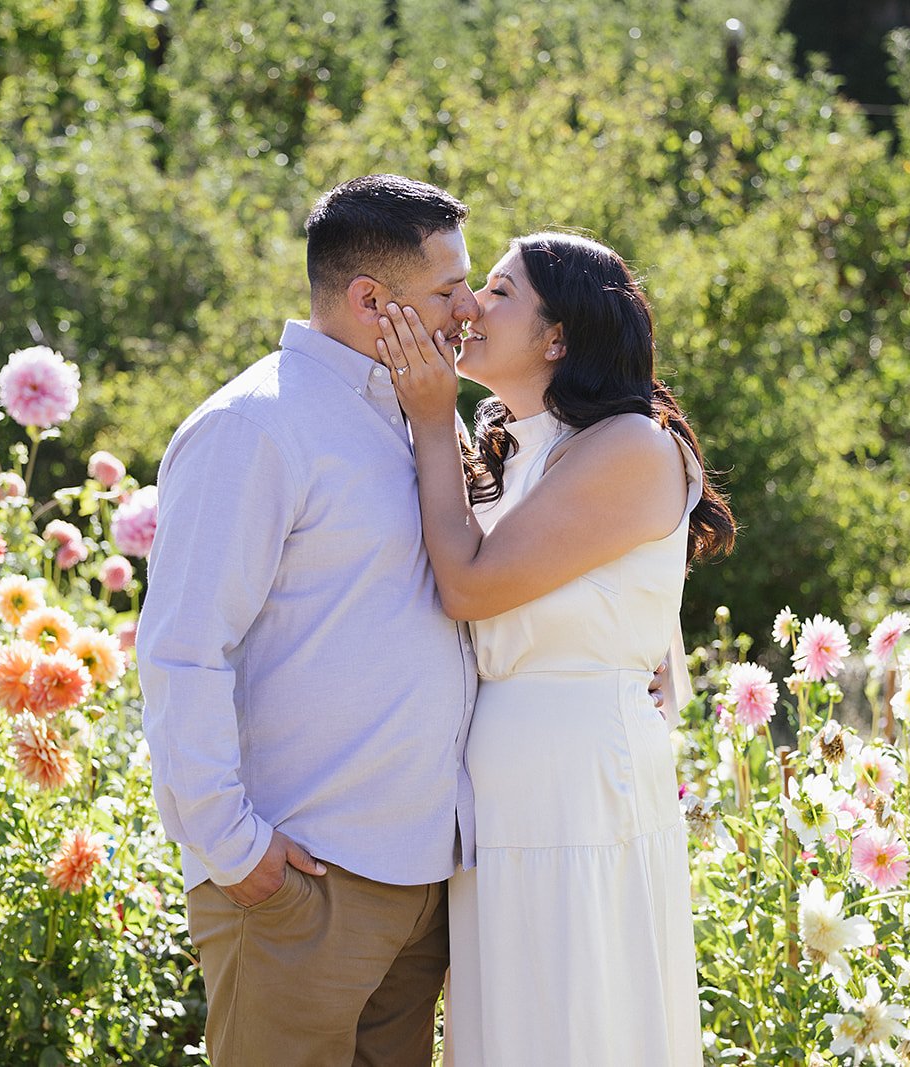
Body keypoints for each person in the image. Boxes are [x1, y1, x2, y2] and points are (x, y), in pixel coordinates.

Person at [137, 174, 481, 1066]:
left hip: (419, 888)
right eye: (449, 289)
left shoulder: (418, 419)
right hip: (298, 887)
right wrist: (231, 846)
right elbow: (182, 646)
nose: (470, 308)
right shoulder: (256, 424)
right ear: (373, 299)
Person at [375, 231, 735, 1066]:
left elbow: (468, 586)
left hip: (577, 775)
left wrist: (432, 420)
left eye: (499, 292)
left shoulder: (630, 445)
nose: (469, 306)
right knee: (511, 1020)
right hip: (503, 777)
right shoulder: (513, 439)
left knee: (579, 1014)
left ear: (558, 337)